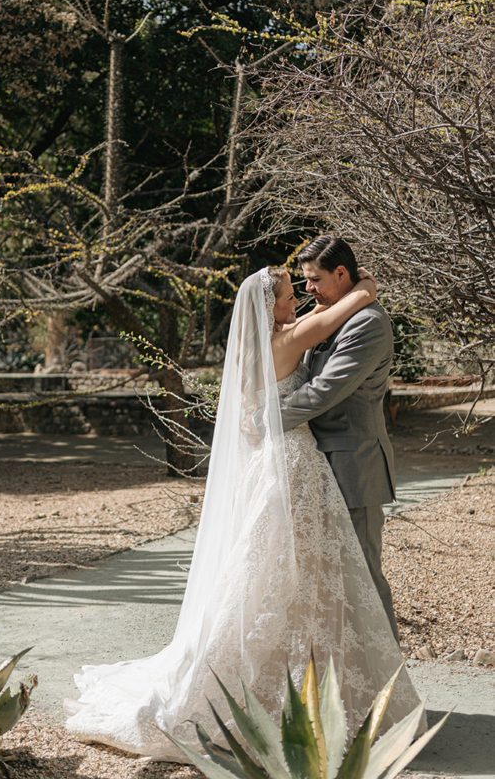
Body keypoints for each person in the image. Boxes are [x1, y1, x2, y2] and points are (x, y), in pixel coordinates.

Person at [64, 262, 422, 761]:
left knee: (265, 565)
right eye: (287, 296)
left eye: (299, 293)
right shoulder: (291, 337)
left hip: (265, 463)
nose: (296, 300)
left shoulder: (253, 347)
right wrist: (364, 284)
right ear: (266, 306)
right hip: (291, 459)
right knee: (297, 566)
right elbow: (353, 304)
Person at [279, 236, 399, 637]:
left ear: (341, 273)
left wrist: (266, 420)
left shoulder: (368, 323)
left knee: (363, 575)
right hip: (316, 462)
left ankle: (390, 688)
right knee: (327, 578)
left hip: (353, 464)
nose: (307, 289)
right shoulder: (333, 311)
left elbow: (325, 390)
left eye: (314, 279)